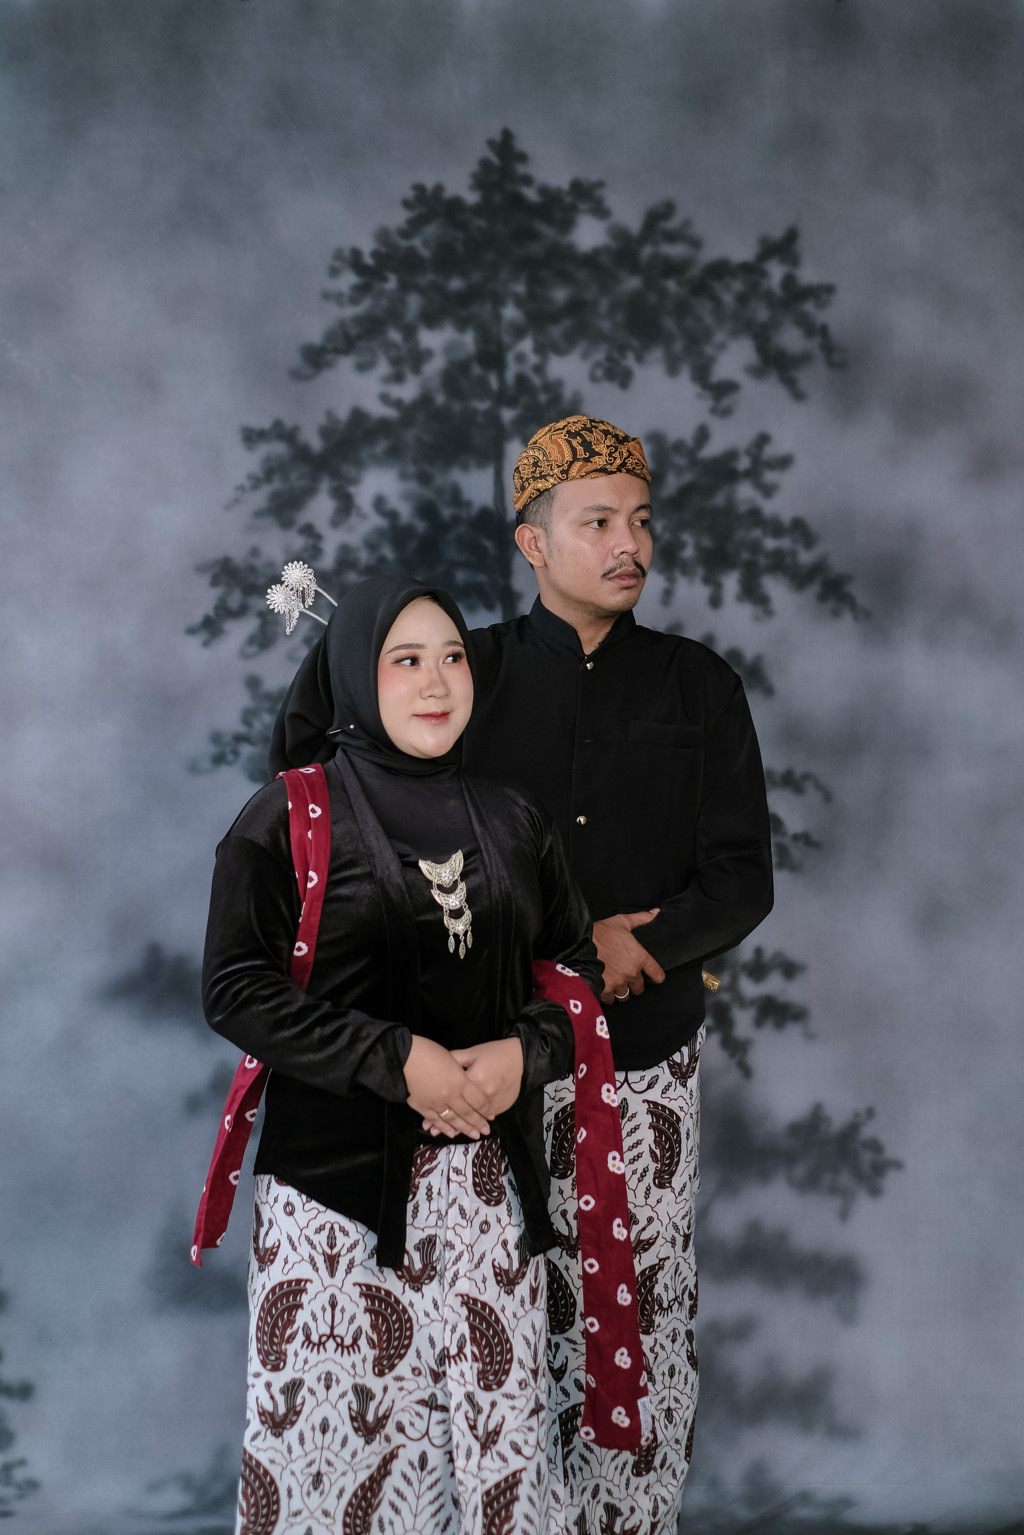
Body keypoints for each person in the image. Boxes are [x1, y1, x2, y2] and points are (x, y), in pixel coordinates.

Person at [202, 573, 603, 1535]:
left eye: (453, 656)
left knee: (500, 1470)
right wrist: (397, 1058)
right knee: (338, 1480)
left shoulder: (515, 819)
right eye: (406, 660)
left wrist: (526, 1053)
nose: (437, 682)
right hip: (334, 1211)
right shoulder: (286, 818)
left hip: (492, 1207)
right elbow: (236, 987)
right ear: (353, 675)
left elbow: (575, 971)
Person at [461, 414, 775, 1534]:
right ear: (533, 543)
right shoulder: (469, 675)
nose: (628, 544)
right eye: (597, 522)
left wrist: (646, 943)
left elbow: (741, 878)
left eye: (640, 520)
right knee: (504, 1313)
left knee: (636, 1308)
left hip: (646, 1061)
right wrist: (556, 953)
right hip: (492, 1064)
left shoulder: (700, 686)